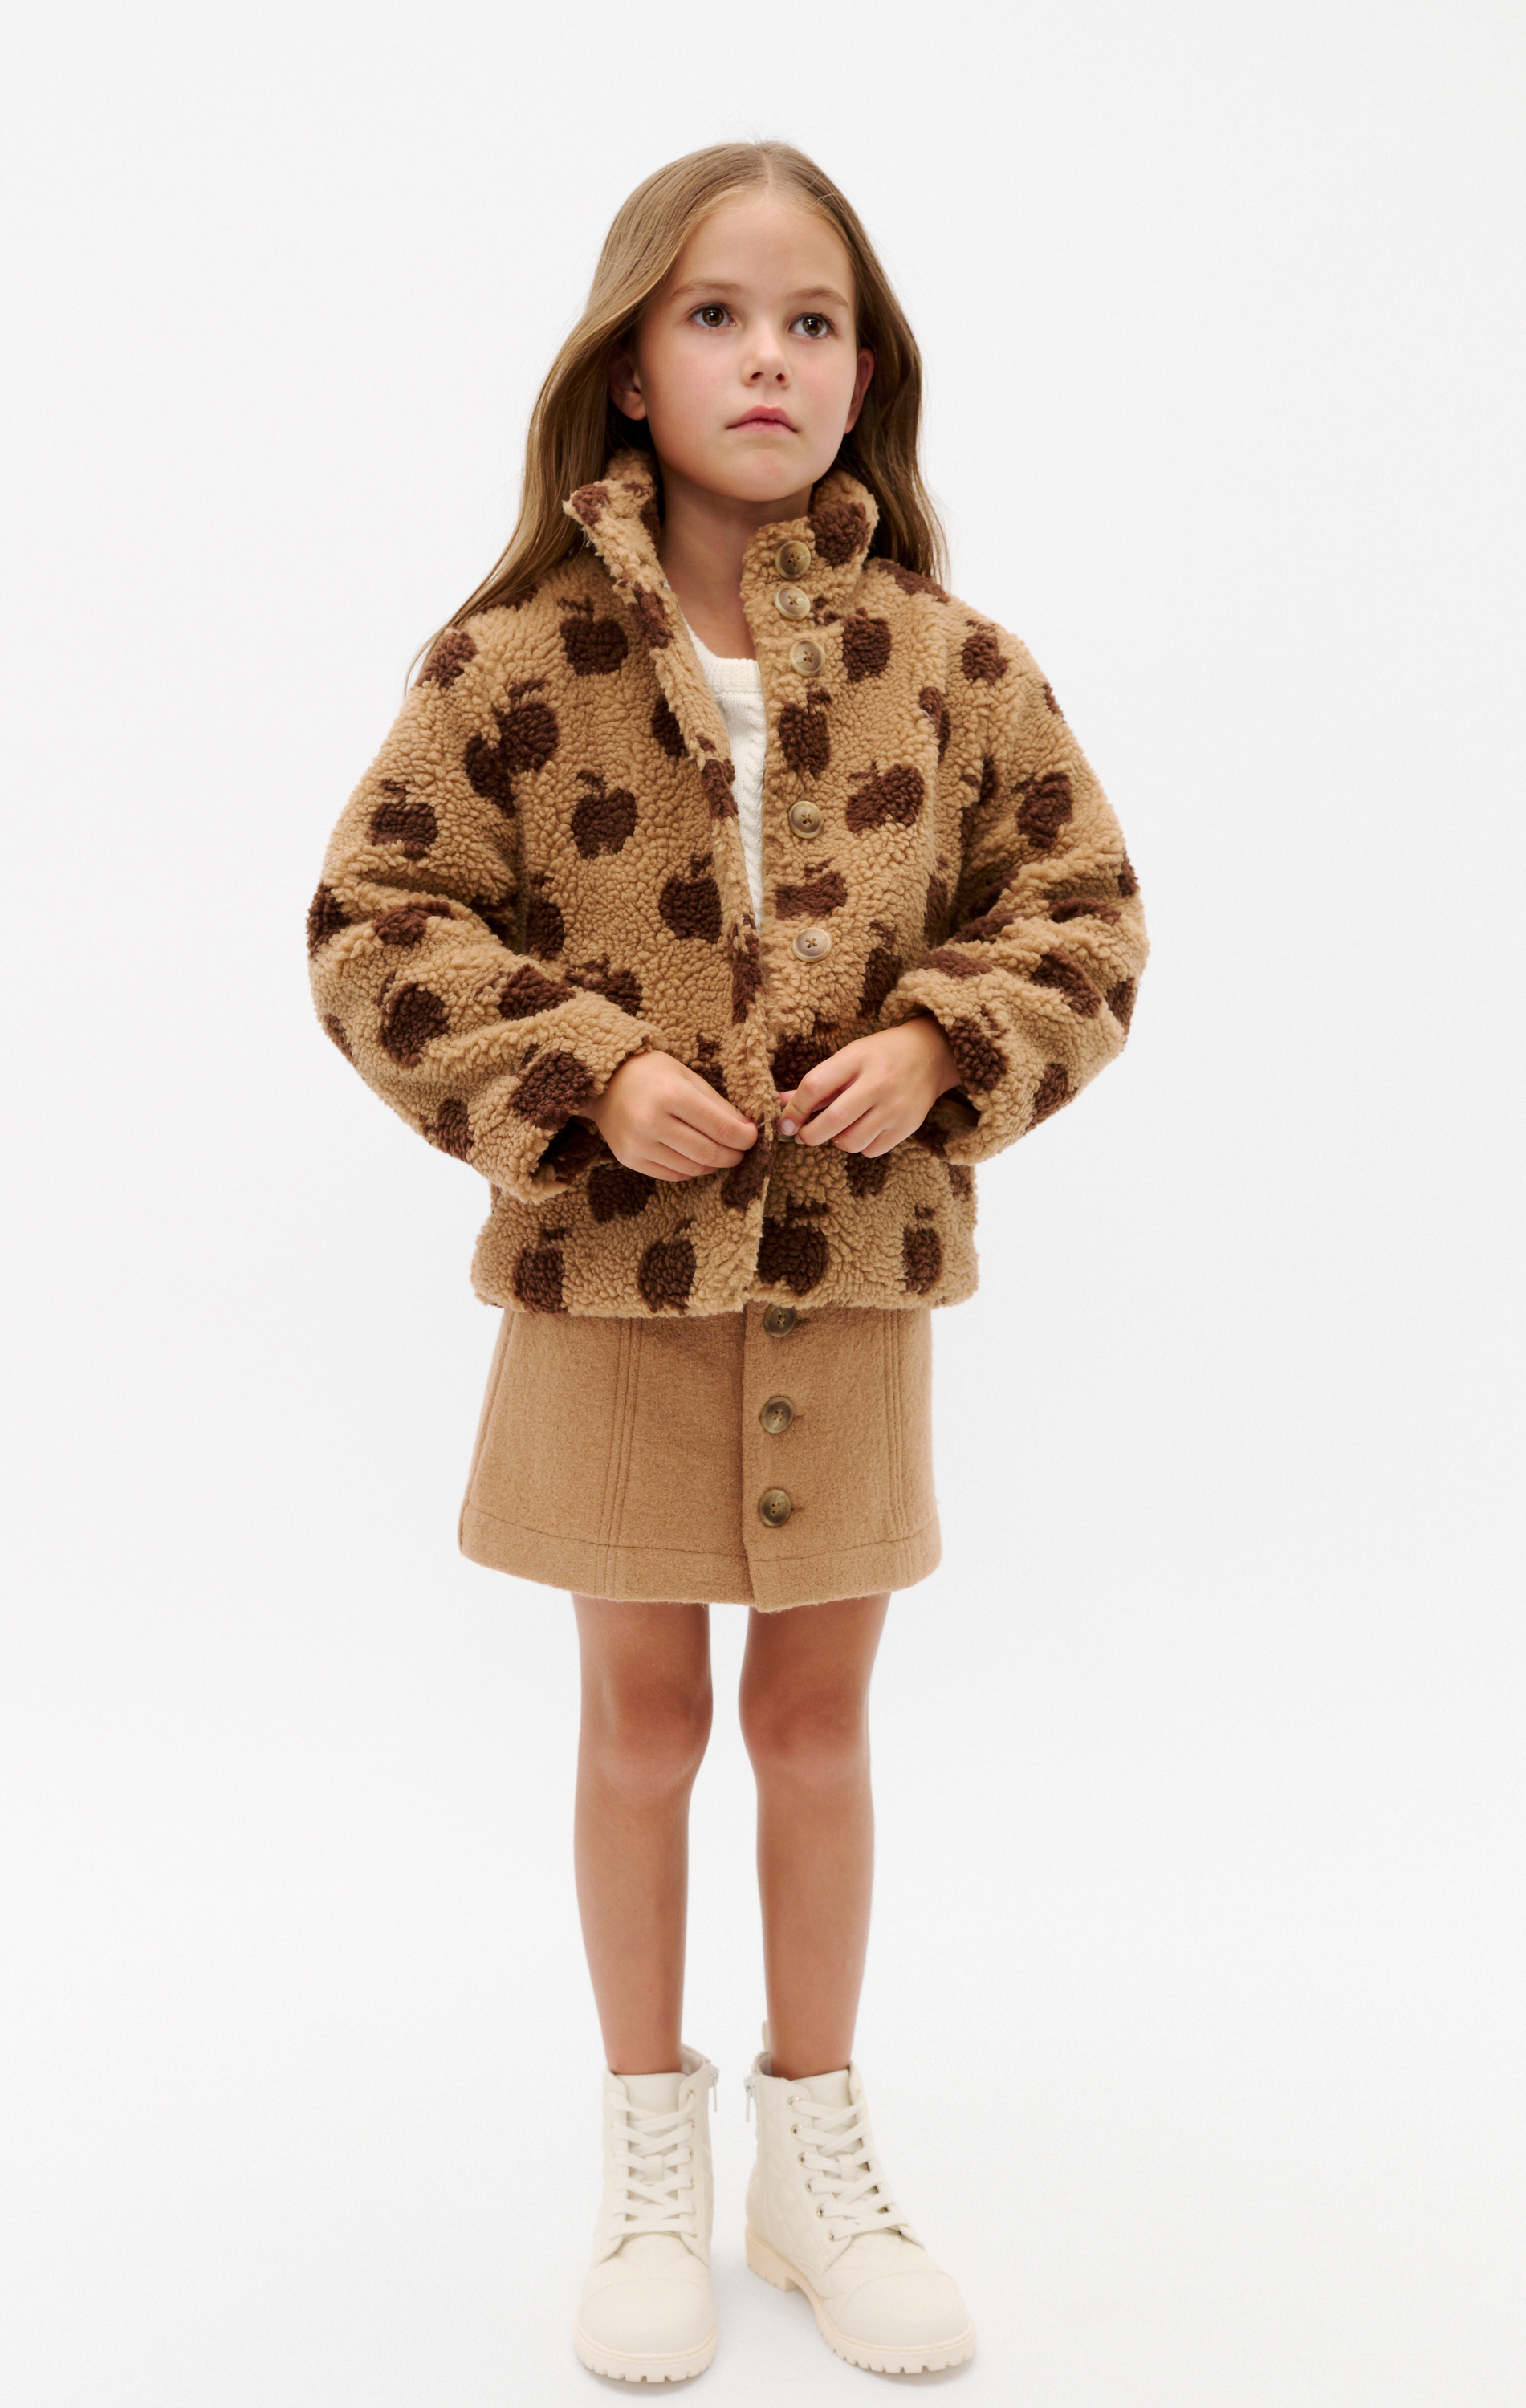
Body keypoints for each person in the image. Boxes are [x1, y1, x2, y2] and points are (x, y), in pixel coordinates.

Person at [307, 138, 1147, 2384]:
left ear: (868, 373)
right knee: (643, 1719)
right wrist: (584, 1072)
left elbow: (1084, 913)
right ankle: (647, 2166)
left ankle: (816, 2150)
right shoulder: (511, 664)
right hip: (609, 1287)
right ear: (628, 362)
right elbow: (375, 924)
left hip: (850, 1280)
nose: (766, 358)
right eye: (715, 315)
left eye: (811, 322)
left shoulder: (954, 663)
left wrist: (940, 1039)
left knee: (817, 1721)